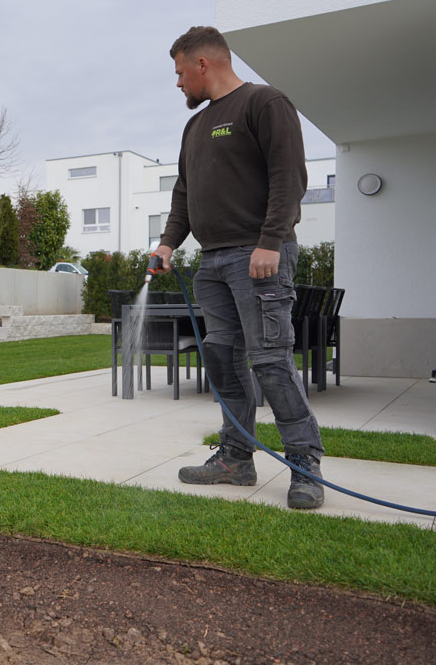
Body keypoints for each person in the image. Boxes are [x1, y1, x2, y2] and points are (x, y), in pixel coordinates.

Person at [153, 26, 325, 510]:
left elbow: (288, 177)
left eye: (181, 73)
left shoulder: (264, 103)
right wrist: (168, 243)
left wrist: (271, 241)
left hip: (259, 256)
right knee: (222, 359)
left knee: (270, 361)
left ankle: (303, 463)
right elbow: (184, 194)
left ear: (203, 64)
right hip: (213, 262)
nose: (179, 83)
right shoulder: (196, 127)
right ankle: (235, 457)